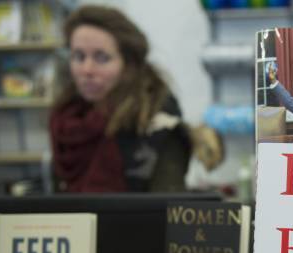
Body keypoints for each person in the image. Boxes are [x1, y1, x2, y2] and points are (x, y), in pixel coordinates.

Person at [50, 5, 192, 192]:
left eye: (101, 58)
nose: (86, 70)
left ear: (128, 65)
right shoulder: (65, 121)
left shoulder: (158, 125)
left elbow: (166, 211)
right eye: (78, 56)